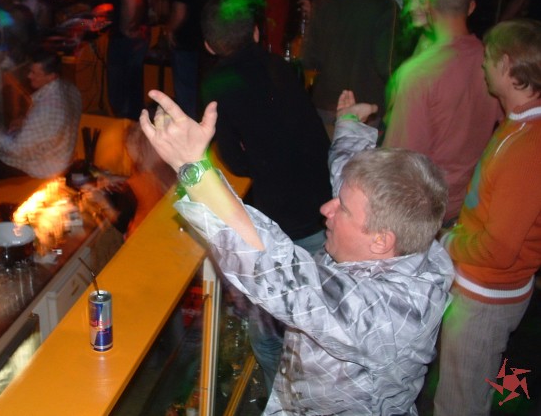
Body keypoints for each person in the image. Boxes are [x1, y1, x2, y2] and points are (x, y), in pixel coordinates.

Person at [139, 89, 453, 415]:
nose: (326, 209)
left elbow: (278, 273)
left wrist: (193, 167)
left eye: (342, 209)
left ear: (380, 241)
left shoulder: (388, 316)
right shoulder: (409, 237)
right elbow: (348, 177)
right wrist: (349, 123)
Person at [200, 0, 333, 391]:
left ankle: (285, 400)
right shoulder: (281, 66)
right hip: (322, 209)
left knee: (268, 330)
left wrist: (254, 158)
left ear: (209, 46)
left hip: (279, 223)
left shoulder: (217, 82)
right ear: (257, 33)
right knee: (312, 325)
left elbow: (234, 160)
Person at [433, 19, 541, 415]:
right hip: (484, 289)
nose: (482, 66)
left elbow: (499, 249)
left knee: (458, 405)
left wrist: (447, 241)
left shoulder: (528, 147)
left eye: (489, 59)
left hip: (485, 300)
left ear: (508, 65)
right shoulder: (518, 122)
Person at [383, 0, 501, 223]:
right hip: (470, 203)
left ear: (427, 6)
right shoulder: (494, 62)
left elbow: (400, 158)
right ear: (471, 7)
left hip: (424, 210)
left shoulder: (419, 73)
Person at [305, 0, 398, 129]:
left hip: (326, 103)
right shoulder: (388, 8)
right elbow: (386, 65)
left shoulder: (325, 5)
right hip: (365, 110)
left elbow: (310, 59)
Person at [0, 51, 82, 192]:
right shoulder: (70, 89)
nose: (29, 76)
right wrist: (25, 121)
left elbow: (17, 149)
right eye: (30, 71)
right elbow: (50, 126)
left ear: (51, 76)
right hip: (59, 157)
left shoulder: (47, 108)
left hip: (41, 167)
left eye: (34, 73)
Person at [94, 0, 150, 120]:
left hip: (125, 39)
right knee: (133, 90)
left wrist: (128, 27)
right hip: (140, 34)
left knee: (120, 95)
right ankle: (135, 130)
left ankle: (124, 130)